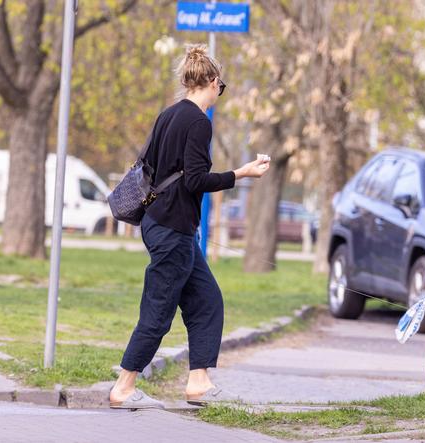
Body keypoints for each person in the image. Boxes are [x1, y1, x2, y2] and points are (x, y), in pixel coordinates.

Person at [109, 44, 270, 409]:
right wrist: (241, 173)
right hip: (172, 230)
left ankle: (198, 381)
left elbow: (149, 167)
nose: (219, 94)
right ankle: (124, 385)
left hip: (160, 224)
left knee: (206, 300)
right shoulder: (198, 122)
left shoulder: (168, 115)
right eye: (221, 88)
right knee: (158, 308)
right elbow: (195, 180)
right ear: (211, 82)